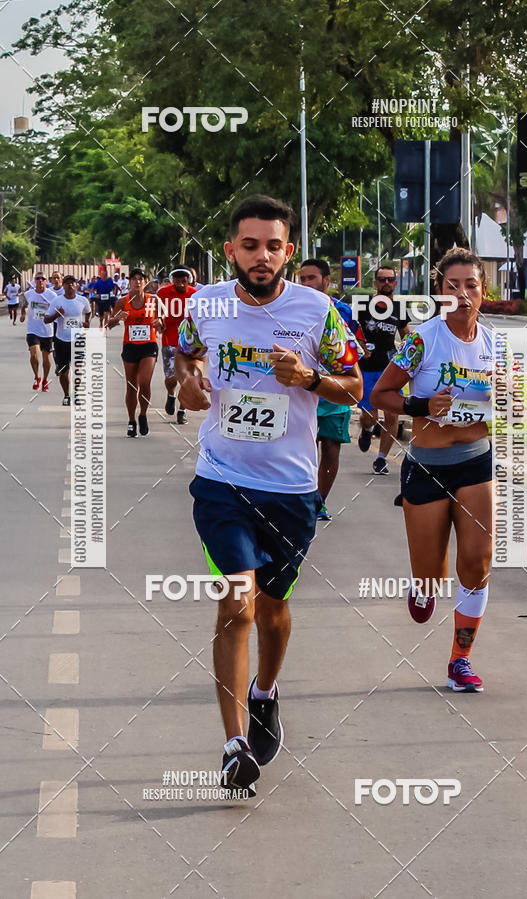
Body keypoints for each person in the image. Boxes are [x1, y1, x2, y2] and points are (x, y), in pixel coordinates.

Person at [175, 195, 362, 796]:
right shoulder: (205, 304)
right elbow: (183, 353)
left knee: (274, 612)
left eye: (273, 246)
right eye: (249, 245)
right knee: (238, 604)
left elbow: (355, 386)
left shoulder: (320, 312)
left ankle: (265, 693)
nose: (261, 256)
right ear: (230, 249)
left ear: (289, 251)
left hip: (290, 490)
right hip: (222, 481)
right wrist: (188, 383)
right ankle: (233, 746)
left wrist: (309, 377)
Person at [370, 247, 495, 693]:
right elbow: (381, 394)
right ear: (439, 293)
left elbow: (507, 405)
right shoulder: (423, 339)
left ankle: (460, 660)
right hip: (427, 465)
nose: (462, 294)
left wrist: (508, 401)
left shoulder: (494, 343)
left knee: (478, 562)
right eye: (451, 286)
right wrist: (421, 405)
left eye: (471, 286)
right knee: (432, 576)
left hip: (476, 462)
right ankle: (422, 585)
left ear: (484, 290)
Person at [299, 258, 366, 521]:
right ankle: (301, 495)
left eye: (311, 278)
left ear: (327, 281)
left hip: (335, 388)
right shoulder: (292, 310)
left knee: (330, 446)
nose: (306, 283)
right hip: (302, 390)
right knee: (304, 445)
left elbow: (358, 347)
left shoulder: (344, 311)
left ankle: (320, 501)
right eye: (302, 279)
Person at [357, 264, 409, 474]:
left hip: (391, 370)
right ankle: (368, 429)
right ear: (375, 282)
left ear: (395, 283)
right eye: (382, 279)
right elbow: (350, 331)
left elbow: (407, 335)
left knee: (392, 416)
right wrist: (359, 345)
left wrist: (413, 355)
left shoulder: (399, 309)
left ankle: (381, 459)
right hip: (367, 368)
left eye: (390, 279)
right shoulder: (363, 306)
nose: (386, 283)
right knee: (370, 415)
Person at [107, 268, 162, 437]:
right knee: (131, 386)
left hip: (149, 345)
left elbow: (162, 321)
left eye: (141, 279)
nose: (137, 282)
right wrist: (118, 318)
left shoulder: (154, 300)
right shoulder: (123, 301)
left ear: (145, 282)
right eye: (134, 279)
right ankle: (131, 420)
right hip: (130, 346)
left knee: (144, 382)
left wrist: (160, 322)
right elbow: (109, 324)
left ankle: (143, 414)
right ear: (129, 282)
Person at [156, 266, 196, 424]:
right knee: (171, 378)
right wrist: (159, 321)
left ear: (189, 281)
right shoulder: (163, 294)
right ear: (172, 281)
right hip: (169, 341)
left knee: (187, 378)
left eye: (183, 281)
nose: (180, 284)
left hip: (191, 343)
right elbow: (157, 313)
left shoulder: (196, 295)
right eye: (177, 281)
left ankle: (182, 410)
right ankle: (171, 394)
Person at [44, 274, 91, 405]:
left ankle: (76, 394)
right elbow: (46, 319)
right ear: (63, 286)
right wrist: (56, 314)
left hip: (78, 339)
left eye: (72, 283)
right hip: (61, 340)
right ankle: (66, 395)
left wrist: (87, 322)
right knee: (64, 373)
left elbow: (88, 312)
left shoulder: (82, 300)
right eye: (67, 283)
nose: (70, 285)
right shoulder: (57, 301)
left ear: (76, 286)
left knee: (78, 368)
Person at [21, 273, 56, 391]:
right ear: (34, 281)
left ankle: (45, 380)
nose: (40, 281)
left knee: (46, 359)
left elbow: (57, 310)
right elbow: (24, 305)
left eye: (43, 279)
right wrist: (23, 314)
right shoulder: (29, 294)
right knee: (34, 354)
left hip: (47, 330)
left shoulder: (52, 295)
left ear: (46, 281)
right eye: (38, 279)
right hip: (33, 329)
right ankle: (37, 377)